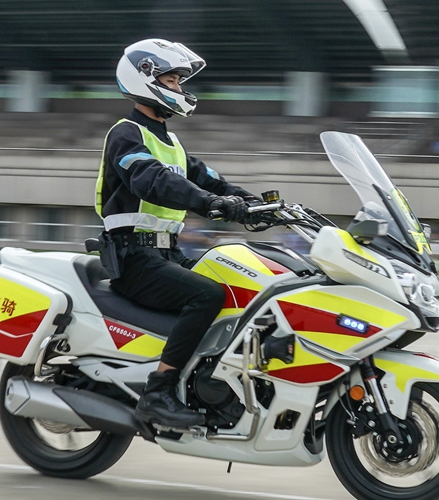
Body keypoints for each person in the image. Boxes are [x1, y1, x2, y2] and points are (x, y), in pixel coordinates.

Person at [96, 39, 259, 428]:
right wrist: (206, 202)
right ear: (145, 79)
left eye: (178, 80)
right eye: (171, 79)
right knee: (207, 295)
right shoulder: (127, 134)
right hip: (133, 257)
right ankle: (158, 392)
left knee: (240, 286)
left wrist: (257, 206)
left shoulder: (172, 143)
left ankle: (212, 386)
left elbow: (213, 182)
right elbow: (150, 179)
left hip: (166, 254)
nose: (179, 88)